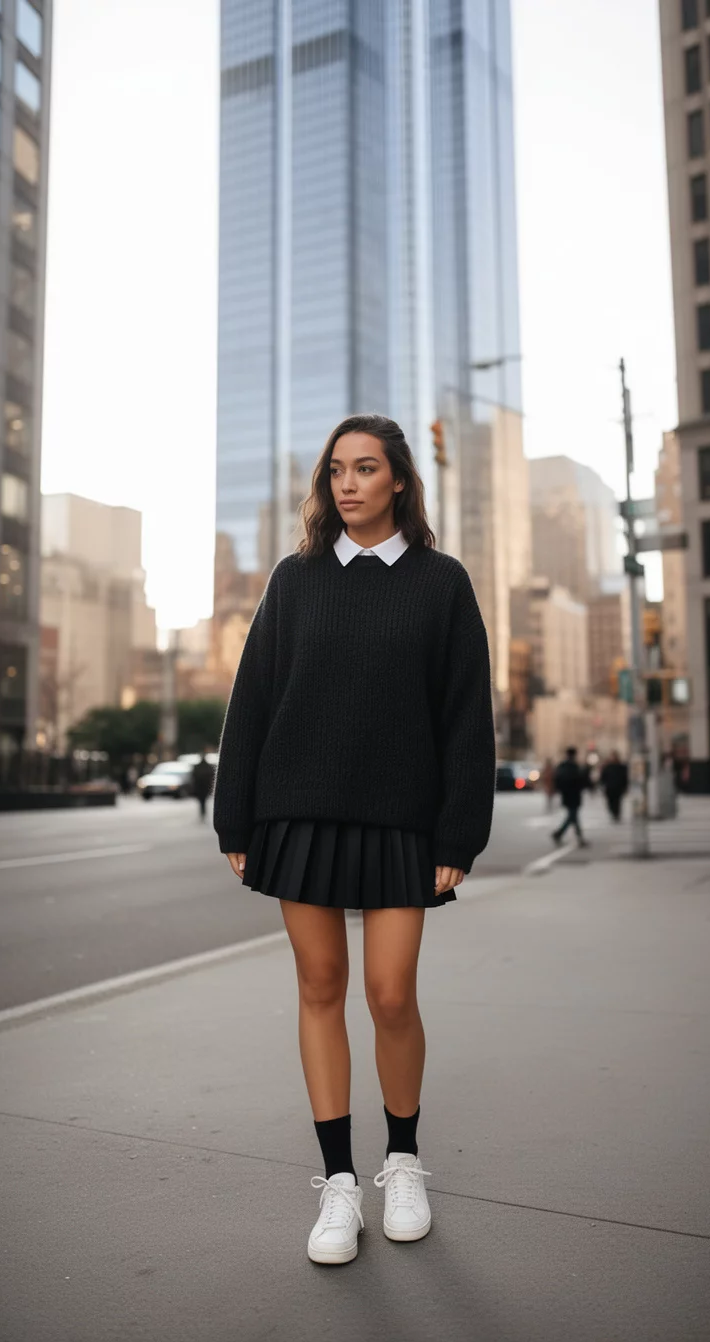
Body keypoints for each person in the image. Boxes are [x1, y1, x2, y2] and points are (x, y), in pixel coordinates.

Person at [213, 414, 496, 1265]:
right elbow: (253, 698)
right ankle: (340, 1184)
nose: (347, 483)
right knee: (320, 985)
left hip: (404, 820)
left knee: (390, 993)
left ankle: (402, 1162)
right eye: (336, 469)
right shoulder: (295, 581)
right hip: (298, 811)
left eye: (365, 468)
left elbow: (465, 718)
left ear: (399, 481)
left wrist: (460, 829)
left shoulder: (441, 582)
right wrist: (237, 814)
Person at [551, 747, 590, 847]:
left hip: (566, 795)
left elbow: (557, 780)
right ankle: (562, 834)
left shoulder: (562, 766)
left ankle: (560, 834)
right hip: (574, 795)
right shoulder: (574, 767)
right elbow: (580, 781)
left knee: (573, 816)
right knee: (573, 816)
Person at [599, 751, 628, 822]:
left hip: (618, 788)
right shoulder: (607, 767)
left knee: (617, 802)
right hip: (609, 788)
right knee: (610, 801)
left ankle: (616, 814)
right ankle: (613, 812)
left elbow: (624, 778)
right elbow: (603, 777)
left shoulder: (621, 767)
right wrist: (602, 784)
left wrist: (625, 787)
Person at [191, 753, 215, 820]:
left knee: (202, 801)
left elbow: (193, 777)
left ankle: (203, 812)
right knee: (203, 801)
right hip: (204, 787)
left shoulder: (198, 767)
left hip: (200, 787)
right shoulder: (207, 767)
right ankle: (203, 812)